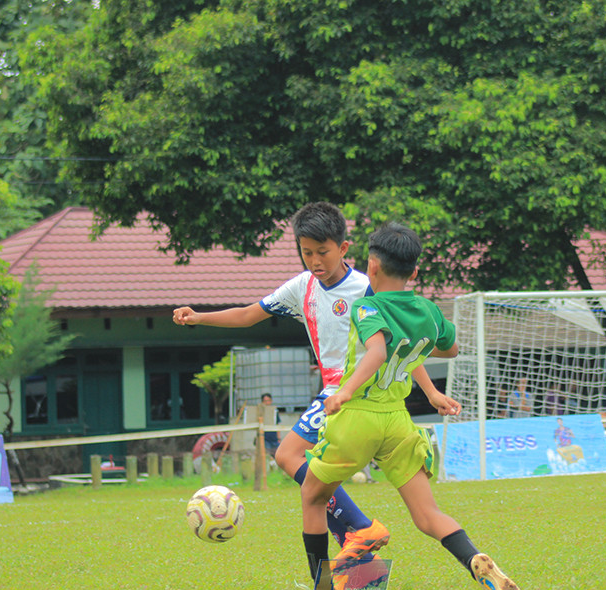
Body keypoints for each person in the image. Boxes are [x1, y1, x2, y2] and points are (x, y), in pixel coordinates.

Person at [173, 202, 449, 561]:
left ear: (343, 248)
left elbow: (396, 345)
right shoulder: (301, 286)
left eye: (323, 252)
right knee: (297, 464)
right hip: (334, 392)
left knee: (289, 455)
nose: (315, 261)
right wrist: (199, 318)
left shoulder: (367, 289)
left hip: (354, 390)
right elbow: (246, 315)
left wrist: (429, 390)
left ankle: (358, 527)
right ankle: (363, 563)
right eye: (307, 253)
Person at [292, 222, 522, 590]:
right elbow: (447, 349)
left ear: (373, 267)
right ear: (414, 272)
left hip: (358, 418)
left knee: (313, 497)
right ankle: (474, 559)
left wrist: (344, 392)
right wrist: (431, 391)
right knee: (427, 514)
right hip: (398, 423)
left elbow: (378, 351)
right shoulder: (429, 311)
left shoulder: (368, 305)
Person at [255, 392, 281, 458]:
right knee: (266, 456)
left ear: (271, 401)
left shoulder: (275, 411)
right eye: (265, 401)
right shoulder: (259, 412)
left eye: (268, 401)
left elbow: (277, 425)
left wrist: (278, 438)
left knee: (277, 456)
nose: (267, 403)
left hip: (274, 438)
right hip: (264, 438)